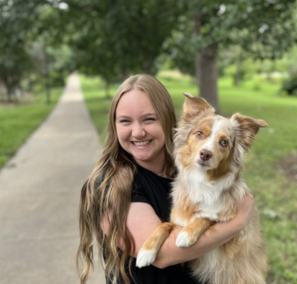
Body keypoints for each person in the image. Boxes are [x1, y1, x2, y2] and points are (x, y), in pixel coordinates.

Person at [77, 74, 255, 284]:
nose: (138, 132)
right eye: (125, 121)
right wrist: (237, 222)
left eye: (149, 119)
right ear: (114, 126)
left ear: (167, 120)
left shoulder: (189, 173)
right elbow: (163, 254)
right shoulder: (109, 185)